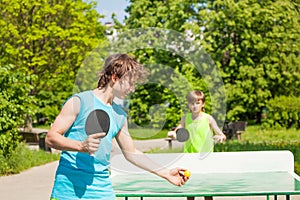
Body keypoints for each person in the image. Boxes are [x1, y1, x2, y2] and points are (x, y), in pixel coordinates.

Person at [46, 53, 189, 200]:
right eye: (131, 83)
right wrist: (80, 146)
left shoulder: (119, 115)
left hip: (102, 188)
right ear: (115, 78)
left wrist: (166, 173)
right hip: (67, 189)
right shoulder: (79, 102)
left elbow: (131, 152)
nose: (133, 89)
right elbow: (51, 138)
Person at [168, 90, 226, 200]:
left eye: (198, 103)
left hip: (205, 157)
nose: (195, 106)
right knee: (190, 190)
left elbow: (221, 135)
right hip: (189, 158)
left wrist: (220, 137)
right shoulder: (185, 118)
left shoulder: (208, 118)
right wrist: (172, 134)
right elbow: (177, 130)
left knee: (207, 191)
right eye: (192, 103)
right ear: (188, 104)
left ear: (203, 104)